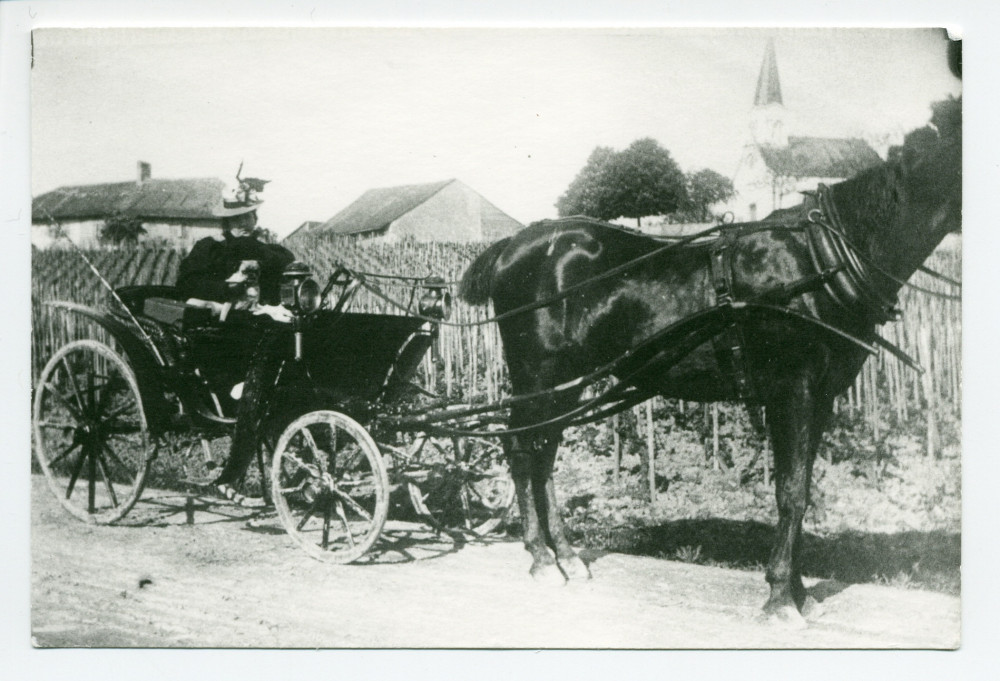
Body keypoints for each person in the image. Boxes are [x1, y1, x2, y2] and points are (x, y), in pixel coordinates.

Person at [176, 176, 295, 503]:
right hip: (223, 333)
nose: (243, 223)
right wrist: (229, 286)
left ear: (255, 217)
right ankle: (236, 389)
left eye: (247, 216)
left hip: (264, 325)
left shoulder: (272, 253)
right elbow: (187, 287)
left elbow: (292, 280)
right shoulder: (210, 250)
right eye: (236, 218)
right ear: (226, 221)